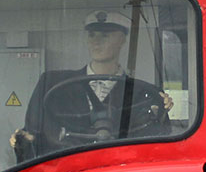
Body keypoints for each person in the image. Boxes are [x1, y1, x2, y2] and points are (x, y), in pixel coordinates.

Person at [13, 11, 171, 161]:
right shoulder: (52, 85)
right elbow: (33, 134)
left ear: (122, 40)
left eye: (105, 35)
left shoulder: (144, 94)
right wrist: (22, 141)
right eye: (92, 35)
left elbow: (155, 146)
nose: (96, 41)